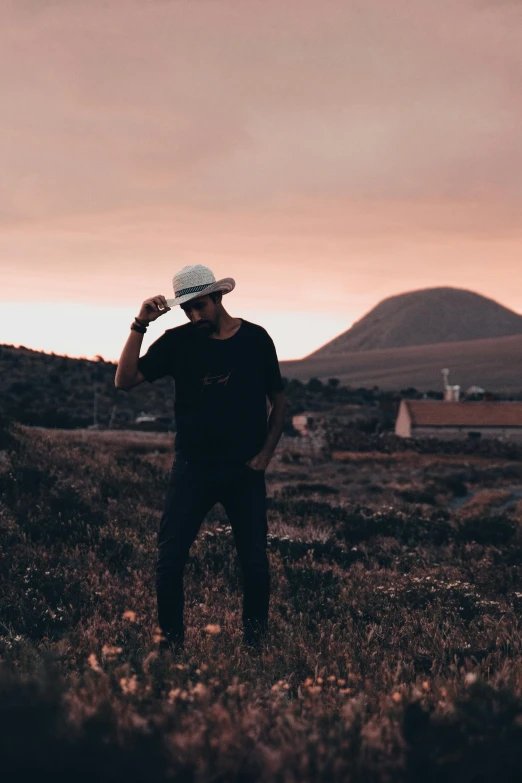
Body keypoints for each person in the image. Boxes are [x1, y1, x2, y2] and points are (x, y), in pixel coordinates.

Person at [115, 265, 286, 653]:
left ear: (219, 298)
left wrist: (263, 458)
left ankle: (255, 649)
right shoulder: (177, 343)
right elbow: (124, 381)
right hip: (191, 469)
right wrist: (140, 324)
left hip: (245, 470)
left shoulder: (257, 339)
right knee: (169, 560)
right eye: (187, 309)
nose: (195, 315)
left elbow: (279, 401)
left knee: (255, 563)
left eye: (201, 306)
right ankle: (171, 649)